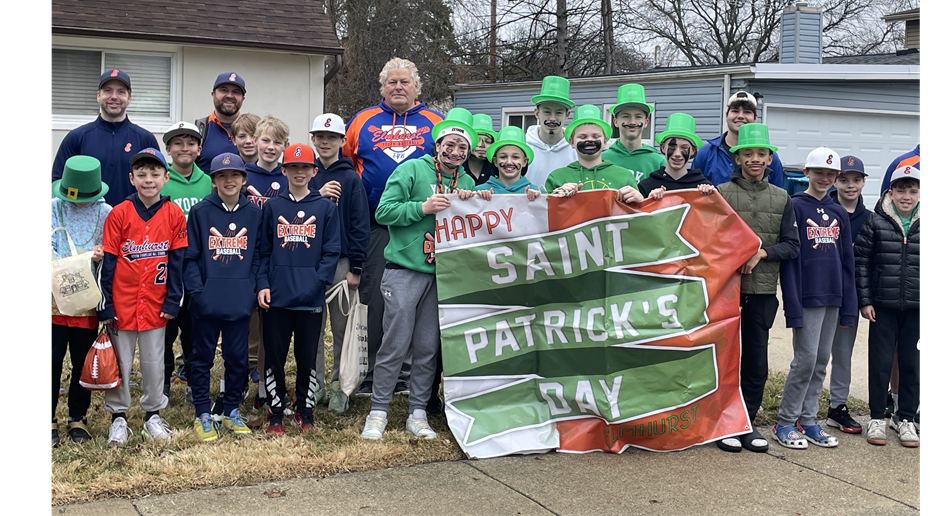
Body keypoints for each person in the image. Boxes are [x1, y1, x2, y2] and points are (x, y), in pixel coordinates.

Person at [360, 108, 478, 441]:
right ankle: (378, 411)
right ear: (437, 143)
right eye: (450, 145)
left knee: (427, 347)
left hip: (442, 274)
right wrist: (421, 208)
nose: (455, 152)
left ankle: (417, 412)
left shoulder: (466, 181)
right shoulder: (411, 168)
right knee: (395, 344)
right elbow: (383, 211)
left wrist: (481, 200)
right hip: (405, 269)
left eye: (462, 148)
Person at [343, 57, 444, 400]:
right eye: (391, 83)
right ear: (382, 88)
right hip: (377, 223)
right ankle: (374, 370)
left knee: (419, 300)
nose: (397, 87)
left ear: (417, 87)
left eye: (404, 82)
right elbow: (348, 164)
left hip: (424, 225)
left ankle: (410, 372)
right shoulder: (362, 120)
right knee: (376, 298)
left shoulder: (435, 122)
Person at [714, 124, 799, 453]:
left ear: (769, 158)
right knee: (725, 361)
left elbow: (792, 246)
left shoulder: (782, 198)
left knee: (755, 362)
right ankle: (724, 424)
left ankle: (746, 423)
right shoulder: (720, 193)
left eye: (760, 154)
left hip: (761, 293)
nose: (754, 159)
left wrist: (761, 252)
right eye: (747, 153)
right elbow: (709, 239)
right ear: (737, 158)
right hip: (725, 291)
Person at [97, 148, 188, 447]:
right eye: (141, 174)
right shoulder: (119, 213)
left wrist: (174, 300)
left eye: (154, 174)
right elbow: (108, 262)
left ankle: (152, 414)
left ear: (166, 177)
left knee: (153, 363)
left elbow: (177, 261)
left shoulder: (173, 214)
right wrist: (106, 303)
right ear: (131, 179)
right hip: (122, 305)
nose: (148, 180)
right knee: (121, 364)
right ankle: (118, 417)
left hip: (156, 305)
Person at [775, 147, 856, 450]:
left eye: (830, 174)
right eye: (819, 172)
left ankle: (807, 420)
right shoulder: (795, 205)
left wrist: (849, 305)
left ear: (836, 178)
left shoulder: (838, 212)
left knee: (821, 360)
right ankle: (784, 421)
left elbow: (846, 261)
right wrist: (792, 304)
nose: (825, 178)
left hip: (833, 296)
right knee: (805, 360)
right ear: (806, 173)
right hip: (807, 295)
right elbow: (791, 259)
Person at [257, 143, 340, 434]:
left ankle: (305, 411)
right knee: (275, 358)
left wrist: (317, 282)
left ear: (314, 171)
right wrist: (264, 285)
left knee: (307, 358)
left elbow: (331, 251)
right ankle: (275, 410)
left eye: (305, 167)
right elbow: (263, 251)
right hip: (277, 297)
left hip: (310, 298)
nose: (299, 172)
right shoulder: (272, 207)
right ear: (284, 171)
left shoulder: (326, 208)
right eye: (293, 167)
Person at [184, 152, 262, 442]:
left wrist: (250, 287)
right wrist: (197, 291)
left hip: (238, 299)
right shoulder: (201, 212)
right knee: (202, 357)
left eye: (234, 176)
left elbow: (257, 256)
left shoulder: (254, 213)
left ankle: (231, 410)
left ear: (243, 180)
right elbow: (190, 258)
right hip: (206, 300)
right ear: (214, 181)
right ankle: (203, 412)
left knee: (237, 358)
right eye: (221, 176)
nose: (228, 181)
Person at [308, 113, 370, 413]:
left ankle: (339, 385)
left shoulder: (351, 178)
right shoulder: (305, 174)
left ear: (343, 141)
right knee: (312, 328)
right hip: (309, 262)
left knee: (342, 329)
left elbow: (360, 225)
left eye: (331, 137)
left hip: (342, 263)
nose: (325, 141)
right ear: (313, 139)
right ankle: (314, 382)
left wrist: (356, 268)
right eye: (320, 136)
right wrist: (315, 196)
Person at [856, 164, 920, 448]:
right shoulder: (875, 222)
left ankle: (905, 418)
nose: (907, 196)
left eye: (913, 190)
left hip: (917, 308)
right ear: (890, 193)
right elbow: (862, 263)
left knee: (912, 364)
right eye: (901, 190)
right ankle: (877, 417)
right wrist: (866, 300)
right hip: (882, 305)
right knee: (880, 363)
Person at [51, 156, 112, 446]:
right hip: (55, 299)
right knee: (52, 359)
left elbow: (113, 252)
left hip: (87, 298)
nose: (80, 204)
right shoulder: (53, 208)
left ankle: (78, 416)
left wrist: (101, 256)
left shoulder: (106, 213)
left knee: (82, 361)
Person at [52, 69, 160, 207]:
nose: (114, 97)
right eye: (108, 90)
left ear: (129, 98)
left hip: (132, 222)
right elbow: (57, 181)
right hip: (87, 223)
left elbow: (156, 183)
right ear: (98, 96)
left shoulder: (145, 139)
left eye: (121, 91)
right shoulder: (77, 137)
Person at [159, 121, 210, 401]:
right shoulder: (161, 179)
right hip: (166, 269)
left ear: (199, 148)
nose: (184, 148)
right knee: (165, 332)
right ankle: (163, 384)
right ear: (168, 149)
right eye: (177, 143)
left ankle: (193, 381)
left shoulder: (207, 182)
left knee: (194, 331)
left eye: (190, 143)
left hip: (197, 269)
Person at [824, 155, 872, 435]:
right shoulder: (824, 210)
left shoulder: (870, 220)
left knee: (842, 354)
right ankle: (801, 408)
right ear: (835, 181)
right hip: (822, 292)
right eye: (844, 179)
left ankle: (837, 407)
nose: (850, 185)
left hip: (850, 298)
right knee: (813, 356)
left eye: (856, 180)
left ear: (864, 182)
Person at [544, 104, 644, 204]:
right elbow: (544, 214)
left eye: (596, 136)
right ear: (572, 142)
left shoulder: (624, 176)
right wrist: (557, 197)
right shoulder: (557, 177)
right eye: (582, 137)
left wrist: (640, 202)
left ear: (605, 141)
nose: (590, 140)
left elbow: (637, 217)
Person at [693, 91, 784, 188]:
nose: (740, 116)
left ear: (755, 117)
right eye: (735, 111)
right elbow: (693, 192)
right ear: (726, 115)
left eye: (747, 112)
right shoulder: (705, 154)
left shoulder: (769, 157)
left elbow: (776, 196)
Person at [637, 113, 715, 198]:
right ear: (663, 148)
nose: (677, 154)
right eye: (672, 147)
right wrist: (648, 202)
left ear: (693, 150)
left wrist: (710, 198)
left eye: (684, 147)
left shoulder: (702, 189)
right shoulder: (646, 186)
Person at [601, 84, 666, 185]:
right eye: (626, 116)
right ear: (615, 122)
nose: (632, 122)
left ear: (646, 122)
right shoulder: (602, 160)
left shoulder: (658, 163)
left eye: (638, 116)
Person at [524, 76, 578, 191]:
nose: (552, 118)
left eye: (558, 112)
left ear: (567, 115)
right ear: (537, 113)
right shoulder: (523, 146)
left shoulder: (576, 149)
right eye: (547, 112)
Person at [195, 72, 247, 172]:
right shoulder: (200, 128)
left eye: (236, 92)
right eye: (224, 90)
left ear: (242, 99)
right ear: (213, 94)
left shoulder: (254, 130)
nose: (229, 95)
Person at [474, 126, 539, 198]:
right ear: (495, 161)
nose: (509, 162)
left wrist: (538, 200)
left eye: (515, 157)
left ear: (524, 161)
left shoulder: (537, 193)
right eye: (503, 157)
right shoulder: (480, 191)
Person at [464, 114, 499, 186]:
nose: (481, 145)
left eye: (488, 141)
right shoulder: (458, 167)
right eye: (476, 140)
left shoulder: (497, 170)